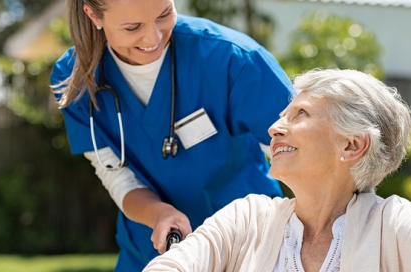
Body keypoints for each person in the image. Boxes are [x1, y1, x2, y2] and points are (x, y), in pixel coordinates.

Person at [143, 69, 411, 271]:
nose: (274, 128)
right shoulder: (246, 219)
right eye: (284, 114)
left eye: (301, 114)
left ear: (351, 145)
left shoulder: (394, 226)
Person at [49, 0, 294, 270]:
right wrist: (158, 214)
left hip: (248, 248)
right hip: (152, 252)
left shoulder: (233, 58)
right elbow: (116, 176)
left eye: (165, 14)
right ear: (93, 14)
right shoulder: (74, 79)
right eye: (132, 27)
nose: (154, 37)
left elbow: (304, 153)